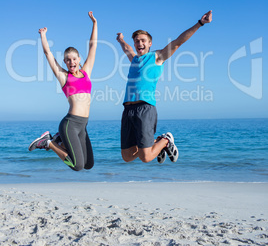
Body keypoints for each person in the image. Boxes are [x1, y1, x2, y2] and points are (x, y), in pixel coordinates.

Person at [116, 10, 212, 164]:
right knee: (127, 157)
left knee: (146, 157)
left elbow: (178, 42)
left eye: (142, 40)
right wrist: (121, 40)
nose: (139, 43)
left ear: (149, 43)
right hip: (127, 110)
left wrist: (200, 23)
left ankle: (166, 140)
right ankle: (156, 144)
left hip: (145, 108)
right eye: (136, 41)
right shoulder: (134, 59)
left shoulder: (157, 57)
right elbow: (127, 49)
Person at [28, 11, 97, 172]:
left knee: (89, 164)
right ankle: (49, 143)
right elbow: (48, 54)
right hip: (71, 123)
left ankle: (58, 139)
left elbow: (93, 46)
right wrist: (43, 35)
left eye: (74, 58)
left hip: (83, 124)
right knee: (77, 165)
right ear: (65, 62)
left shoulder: (87, 71)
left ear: (79, 59)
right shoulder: (64, 77)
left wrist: (94, 23)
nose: (71, 62)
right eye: (68, 59)